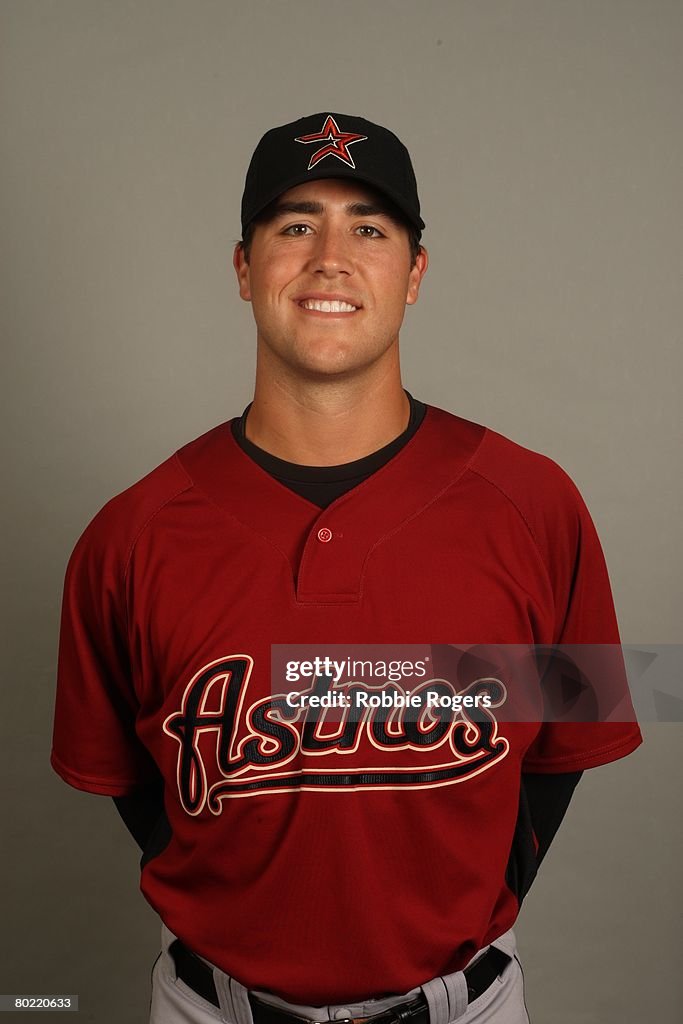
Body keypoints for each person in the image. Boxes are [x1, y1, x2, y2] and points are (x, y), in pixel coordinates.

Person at [51, 112, 642, 1024]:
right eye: (294, 225)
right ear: (244, 268)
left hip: (466, 1007)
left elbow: (564, 744)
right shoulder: (128, 535)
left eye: (368, 227)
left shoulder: (534, 503)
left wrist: (465, 898)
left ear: (413, 273)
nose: (330, 256)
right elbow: (132, 783)